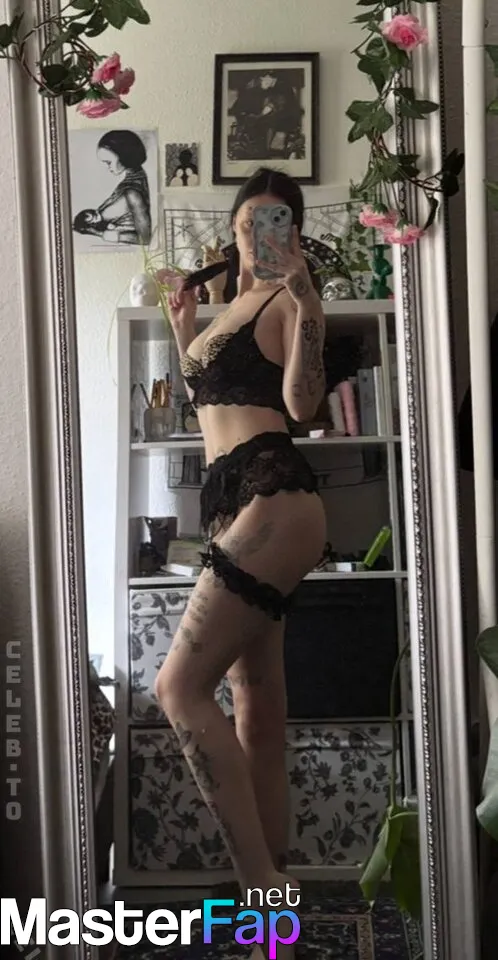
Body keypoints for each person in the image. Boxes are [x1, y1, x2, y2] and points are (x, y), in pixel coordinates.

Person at [154, 167, 327, 959]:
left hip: (273, 491)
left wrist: (310, 304)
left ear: (296, 233)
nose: (265, 234)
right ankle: (274, 923)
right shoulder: (227, 309)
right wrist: (183, 330)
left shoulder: (288, 301)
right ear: (232, 230)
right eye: (254, 220)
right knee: (255, 706)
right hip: (234, 497)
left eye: (280, 220)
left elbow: (301, 406)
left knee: (178, 687)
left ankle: (261, 886)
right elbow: (211, 411)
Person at [74, 130, 152, 245]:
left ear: (123, 156)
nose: (108, 168)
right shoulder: (131, 181)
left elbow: (145, 238)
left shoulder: (132, 193)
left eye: (108, 162)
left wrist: (96, 233)